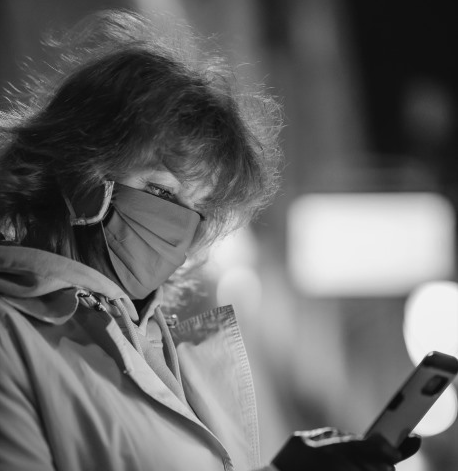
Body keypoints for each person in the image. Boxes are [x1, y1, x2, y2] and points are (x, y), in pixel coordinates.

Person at [0, 10, 420, 471]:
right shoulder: (12, 335)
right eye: (162, 191)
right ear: (81, 169)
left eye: (198, 210)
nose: (181, 225)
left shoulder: (161, 348)